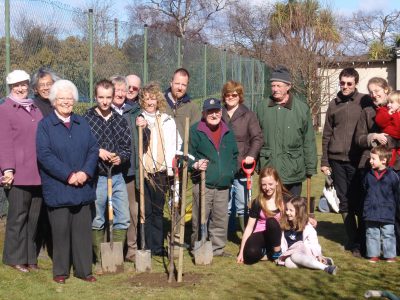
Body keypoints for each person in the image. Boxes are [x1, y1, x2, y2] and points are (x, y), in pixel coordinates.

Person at [36, 80, 99, 283]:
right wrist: (69, 175)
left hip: (82, 187)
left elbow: (93, 149)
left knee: (82, 232)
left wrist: (85, 173)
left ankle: (84, 270)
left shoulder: (82, 123)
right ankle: (61, 271)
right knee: (60, 232)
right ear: (54, 101)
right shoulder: (45, 126)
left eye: (69, 98)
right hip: (59, 187)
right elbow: (45, 155)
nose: (66, 102)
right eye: (62, 98)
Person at [321, 67, 373, 257]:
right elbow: (326, 135)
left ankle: (364, 240)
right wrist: (324, 161)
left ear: (355, 84)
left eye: (349, 83)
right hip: (336, 161)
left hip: (358, 160)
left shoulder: (365, 100)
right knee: (344, 202)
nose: (345, 86)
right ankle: (353, 241)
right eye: (342, 83)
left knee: (360, 201)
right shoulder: (334, 104)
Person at [83, 79, 131, 273]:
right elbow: (82, 146)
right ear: (95, 97)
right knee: (97, 219)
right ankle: (100, 258)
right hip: (97, 177)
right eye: (101, 97)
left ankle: (116, 257)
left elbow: (127, 148)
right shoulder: (86, 119)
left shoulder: (119, 120)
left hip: (117, 176)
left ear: (113, 97)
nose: (104, 101)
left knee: (124, 217)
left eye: (108, 97)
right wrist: (97, 151)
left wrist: (120, 157)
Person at [0, 70, 43, 273]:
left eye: (24, 84)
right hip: (17, 175)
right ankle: (13, 257)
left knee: (33, 218)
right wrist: (7, 170)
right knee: (17, 217)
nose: (21, 88)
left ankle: (30, 257)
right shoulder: (5, 110)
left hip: (37, 173)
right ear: (10, 87)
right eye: (16, 85)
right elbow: (4, 143)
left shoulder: (34, 108)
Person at [136, 82, 182, 256]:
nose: (150, 102)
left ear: (158, 100)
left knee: (157, 210)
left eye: (153, 98)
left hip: (161, 172)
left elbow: (176, 142)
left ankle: (156, 246)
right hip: (145, 172)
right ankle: (145, 245)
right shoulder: (139, 118)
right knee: (145, 211)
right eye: (147, 98)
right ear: (142, 100)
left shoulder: (166, 120)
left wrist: (173, 167)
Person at [257, 66, 317, 196]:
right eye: (273, 85)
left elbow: (308, 140)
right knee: (270, 212)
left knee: (292, 210)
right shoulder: (262, 107)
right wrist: (256, 165)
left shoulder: (301, 109)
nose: (275, 89)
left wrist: (310, 166)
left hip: (293, 169)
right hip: (269, 169)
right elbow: (256, 137)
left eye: (279, 85)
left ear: (288, 86)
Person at [189, 98, 238, 256]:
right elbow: (187, 155)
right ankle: (198, 246)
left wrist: (230, 173)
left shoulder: (227, 131)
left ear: (221, 112)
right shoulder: (196, 130)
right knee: (199, 219)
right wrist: (195, 164)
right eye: (210, 111)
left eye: (216, 111)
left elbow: (234, 155)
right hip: (203, 183)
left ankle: (217, 249)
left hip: (223, 185)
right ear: (204, 113)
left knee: (220, 219)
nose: (214, 114)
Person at [221, 80, 263, 235]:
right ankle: (225, 233)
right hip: (223, 166)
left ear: (239, 96)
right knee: (225, 203)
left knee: (241, 203)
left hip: (242, 166)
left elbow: (257, 138)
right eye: (227, 94)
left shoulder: (248, 115)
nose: (230, 97)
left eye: (234, 94)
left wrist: (251, 156)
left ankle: (245, 233)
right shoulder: (218, 113)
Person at [110, 75, 141, 262]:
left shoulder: (133, 112)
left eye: (124, 90)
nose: (121, 93)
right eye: (117, 90)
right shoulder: (104, 111)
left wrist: (143, 128)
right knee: (110, 211)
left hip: (129, 171)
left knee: (133, 211)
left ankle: (132, 250)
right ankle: (113, 250)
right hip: (109, 171)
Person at [31, 67, 60, 260]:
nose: (45, 88)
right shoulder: (33, 106)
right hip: (38, 163)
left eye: (49, 84)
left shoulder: (59, 104)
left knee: (54, 208)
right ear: (35, 88)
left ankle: (54, 246)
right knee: (39, 208)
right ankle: (37, 246)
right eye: (41, 85)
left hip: (58, 162)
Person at [237, 167, 289, 264]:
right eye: (264, 185)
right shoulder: (258, 201)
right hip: (260, 233)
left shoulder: (285, 199)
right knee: (249, 256)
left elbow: (297, 215)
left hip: (277, 234)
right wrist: (241, 252)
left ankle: (277, 253)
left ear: (277, 182)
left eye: (270, 184)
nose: (267, 188)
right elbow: (249, 227)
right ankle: (267, 252)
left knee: (271, 221)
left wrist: (309, 220)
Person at [277, 197, 338, 275]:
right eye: (287, 209)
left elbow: (314, 243)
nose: (287, 212)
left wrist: (318, 254)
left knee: (294, 256)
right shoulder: (285, 224)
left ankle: (326, 268)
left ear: (299, 212)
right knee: (288, 262)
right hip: (291, 253)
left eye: (291, 210)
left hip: (305, 252)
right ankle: (324, 262)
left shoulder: (307, 227)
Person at [363, 145, 398, 263]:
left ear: (383, 160)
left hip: (387, 211)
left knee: (388, 234)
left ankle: (390, 255)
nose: (370, 161)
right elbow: (365, 188)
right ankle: (374, 254)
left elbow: (396, 192)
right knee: (372, 233)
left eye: (373, 158)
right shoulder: (368, 176)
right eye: (370, 158)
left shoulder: (393, 176)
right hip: (371, 210)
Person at [164, 68, 201, 139]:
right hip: (162, 149)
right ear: (171, 83)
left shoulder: (193, 108)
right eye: (177, 83)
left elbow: (196, 135)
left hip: (184, 149)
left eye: (183, 85)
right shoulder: (159, 102)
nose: (180, 88)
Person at [374, 91, 400, 168]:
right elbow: (380, 121)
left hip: (398, 139)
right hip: (389, 138)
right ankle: (388, 168)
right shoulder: (384, 111)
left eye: (391, 102)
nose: (388, 105)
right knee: (389, 156)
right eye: (388, 102)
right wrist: (388, 114)